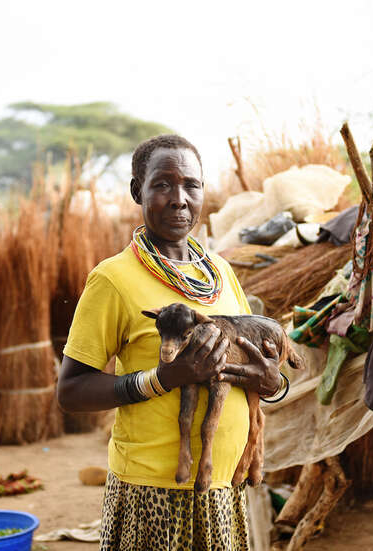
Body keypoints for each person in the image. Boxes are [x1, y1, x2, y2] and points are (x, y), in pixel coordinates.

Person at [57, 134, 284, 551]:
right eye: (162, 184)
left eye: (191, 185)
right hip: (152, 493)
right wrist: (163, 379)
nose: (179, 198)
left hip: (222, 490)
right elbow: (71, 391)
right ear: (136, 191)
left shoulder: (220, 271)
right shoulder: (113, 279)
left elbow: (252, 364)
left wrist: (271, 383)